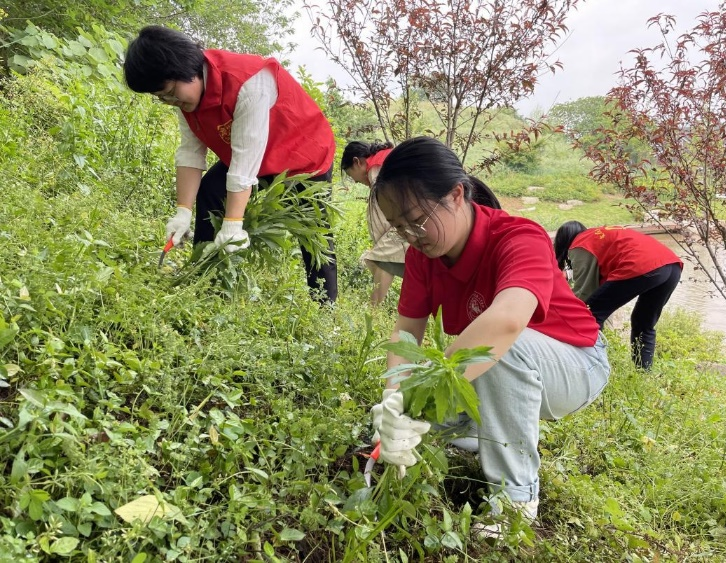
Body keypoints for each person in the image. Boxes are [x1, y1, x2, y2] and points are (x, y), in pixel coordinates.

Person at [369, 137, 610, 537]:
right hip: (496, 366)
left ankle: (515, 500)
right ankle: (484, 436)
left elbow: (508, 322)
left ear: (456, 194)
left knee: (493, 351)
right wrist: (393, 398)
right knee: (413, 427)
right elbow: (407, 331)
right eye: (400, 227)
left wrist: (417, 400)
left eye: (417, 219)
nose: (412, 235)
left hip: (576, 364)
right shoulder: (421, 256)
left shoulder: (519, 237)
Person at [123, 25, 338, 303]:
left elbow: (245, 161)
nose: (170, 101)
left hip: (303, 155)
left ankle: (325, 309)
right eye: (162, 98)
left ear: (186, 69)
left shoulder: (249, 81)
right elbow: (190, 152)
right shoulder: (186, 98)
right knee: (211, 190)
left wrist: (233, 224)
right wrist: (182, 212)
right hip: (253, 157)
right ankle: (205, 281)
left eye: (171, 93)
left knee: (314, 235)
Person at [553, 221, 683, 370]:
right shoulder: (598, 235)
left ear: (562, 240)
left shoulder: (580, 244)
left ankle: (591, 367)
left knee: (588, 314)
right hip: (672, 265)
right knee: (643, 323)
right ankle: (643, 373)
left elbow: (584, 293)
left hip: (640, 264)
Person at [341, 141, 408, 305]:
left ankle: (373, 312)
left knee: (379, 259)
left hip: (409, 221)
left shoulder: (376, 168)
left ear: (357, 162)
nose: (355, 181)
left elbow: (386, 209)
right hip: (412, 219)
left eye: (351, 175)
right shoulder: (383, 160)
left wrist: (381, 244)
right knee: (377, 258)